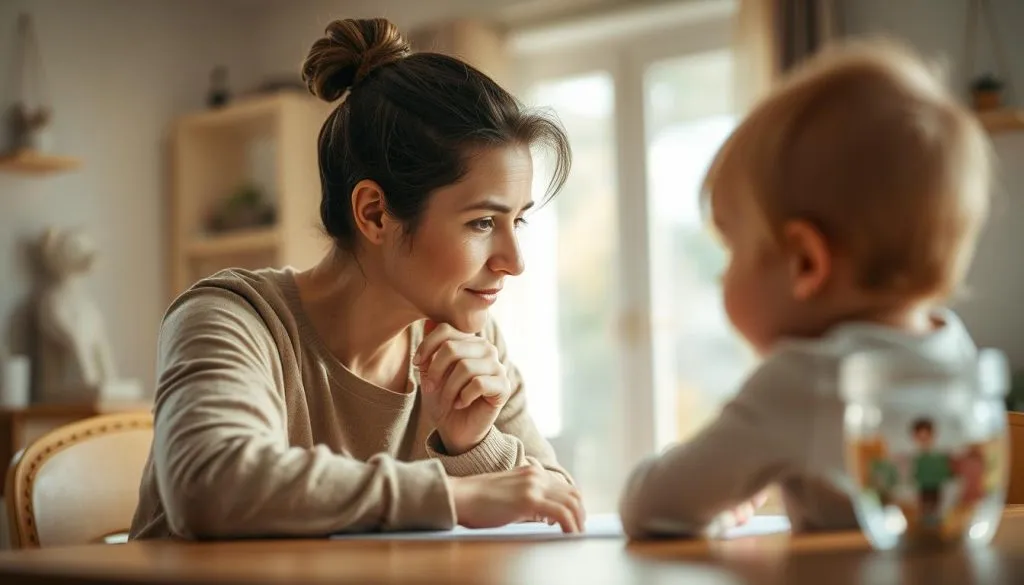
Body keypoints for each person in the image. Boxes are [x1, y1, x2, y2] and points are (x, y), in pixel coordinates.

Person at [130, 17, 584, 540]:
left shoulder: (473, 339)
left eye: (517, 220)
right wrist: (452, 494)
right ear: (374, 214)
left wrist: (473, 446)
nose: (514, 259)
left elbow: (555, 500)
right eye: (483, 222)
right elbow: (210, 485)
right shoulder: (233, 319)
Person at [618, 39, 992, 538]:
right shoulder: (953, 347)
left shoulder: (805, 377)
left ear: (805, 263)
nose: (720, 275)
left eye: (731, 248)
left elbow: (651, 504)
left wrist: (711, 481)